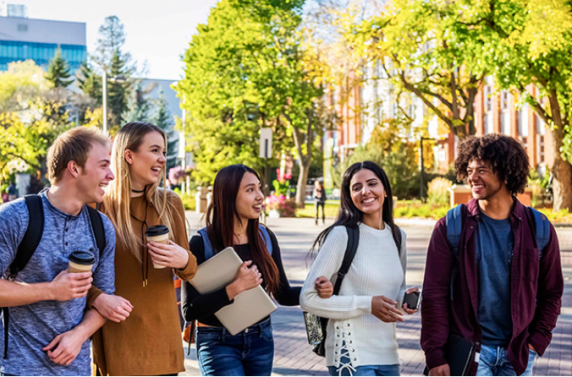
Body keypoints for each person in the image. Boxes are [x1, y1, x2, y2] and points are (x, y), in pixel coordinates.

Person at [0, 127, 116, 376]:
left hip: (76, 369)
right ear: (74, 168)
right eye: (104, 165)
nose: (111, 175)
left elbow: (105, 298)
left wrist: (78, 335)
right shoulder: (15, 217)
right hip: (18, 369)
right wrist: (51, 290)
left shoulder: (102, 227)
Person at [421, 134, 563, 377]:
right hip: (470, 353)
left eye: (482, 170)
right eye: (469, 169)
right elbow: (435, 296)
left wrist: (536, 342)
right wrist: (435, 355)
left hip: (517, 354)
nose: (472, 177)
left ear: (506, 172)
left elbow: (551, 292)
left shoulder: (538, 227)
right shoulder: (451, 227)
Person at [181, 164, 333, 376]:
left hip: (261, 339)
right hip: (217, 342)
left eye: (259, 188)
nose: (260, 196)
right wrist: (235, 288)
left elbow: (282, 294)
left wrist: (315, 290)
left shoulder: (265, 238)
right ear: (228, 196)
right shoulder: (201, 242)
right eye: (250, 190)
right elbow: (190, 311)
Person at [88, 122, 197, 377]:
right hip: (117, 337)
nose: (162, 159)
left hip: (163, 339)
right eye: (155, 150)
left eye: (164, 152)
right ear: (129, 155)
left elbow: (189, 273)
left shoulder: (170, 202)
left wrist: (184, 260)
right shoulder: (98, 206)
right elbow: (79, 273)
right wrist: (96, 298)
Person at [301, 161, 419, 377]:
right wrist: (367, 305)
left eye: (372, 183)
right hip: (350, 353)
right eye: (356, 187)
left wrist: (406, 301)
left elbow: (395, 293)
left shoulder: (397, 236)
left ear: (384, 189)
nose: (365, 191)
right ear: (349, 196)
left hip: (388, 353)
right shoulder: (341, 235)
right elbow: (308, 298)